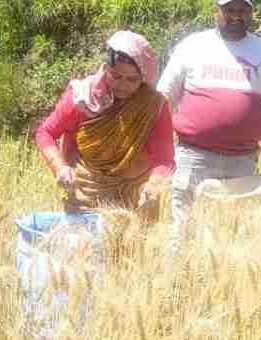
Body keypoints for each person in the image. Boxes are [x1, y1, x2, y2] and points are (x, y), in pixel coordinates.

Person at [158, 0, 261, 234]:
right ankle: (175, 275)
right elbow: (163, 99)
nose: (236, 16)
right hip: (192, 158)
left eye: (242, 10)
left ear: (251, 14)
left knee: (228, 233)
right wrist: (159, 152)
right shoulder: (192, 46)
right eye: (230, 10)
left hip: (241, 161)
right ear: (216, 12)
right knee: (182, 231)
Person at [35, 31, 174, 219]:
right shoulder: (83, 97)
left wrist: (154, 185)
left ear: (143, 77)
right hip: (87, 193)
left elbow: (164, 158)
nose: (122, 85)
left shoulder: (153, 105)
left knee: (131, 247)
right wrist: (60, 166)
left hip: (137, 196)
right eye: (116, 76)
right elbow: (45, 133)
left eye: (132, 79)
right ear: (106, 68)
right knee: (85, 247)